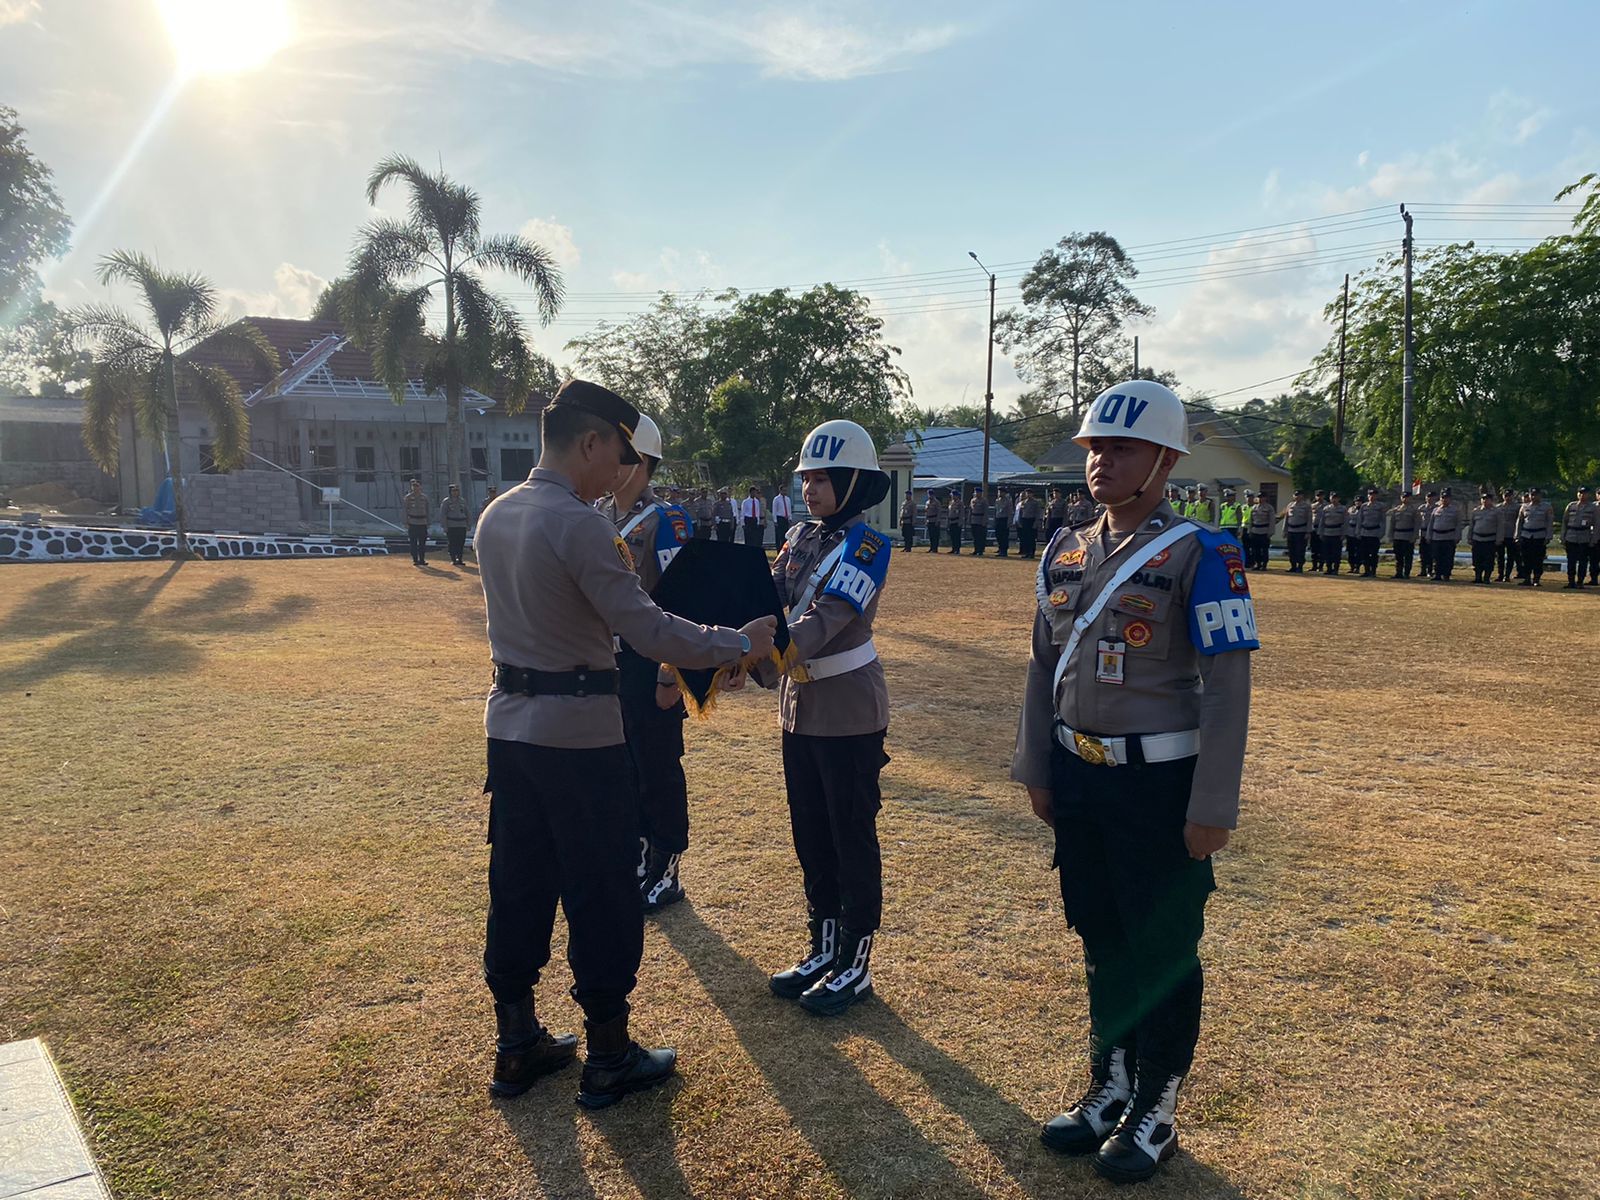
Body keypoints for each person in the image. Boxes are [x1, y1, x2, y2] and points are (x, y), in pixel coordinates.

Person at [474, 379, 776, 1107]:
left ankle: (516, 1041)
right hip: (581, 738)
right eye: (619, 451)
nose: (621, 469)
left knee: (518, 883)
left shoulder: (496, 515)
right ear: (591, 442)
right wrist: (740, 639)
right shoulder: (578, 524)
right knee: (602, 891)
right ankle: (609, 1052)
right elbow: (648, 628)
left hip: (510, 731)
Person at [1013, 380, 1256, 1184]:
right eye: (1094, 449)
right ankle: (1108, 1086)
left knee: (1163, 949)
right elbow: (1043, 666)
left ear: (1164, 459)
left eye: (1120, 448)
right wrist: (1037, 766)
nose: (1101, 462)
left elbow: (1226, 684)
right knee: (1100, 935)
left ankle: (1156, 1107)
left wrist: (1212, 805)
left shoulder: (1203, 552)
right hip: (1081, 778)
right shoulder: (1066, 549)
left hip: (1161, 785)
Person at [750, 419, 893, 1017]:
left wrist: (747, 654)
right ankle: (823, 945)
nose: (810, 488)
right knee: (810, 832)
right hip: (799, 709)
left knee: (849, 835)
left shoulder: (868, 546)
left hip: (848, 710)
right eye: (805, 477)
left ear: (854, 482)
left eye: (823, 478)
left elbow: (823, 621)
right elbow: (768, 594)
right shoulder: (800, 536)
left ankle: (855, 962)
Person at [596, 413, 699, 913]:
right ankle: (638, 855)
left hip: (649, 660)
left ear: (640, 462)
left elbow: (682, 601)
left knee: (659, 766)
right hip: (606, 662)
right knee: (624, 766)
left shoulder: (667, 520)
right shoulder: (595, 513)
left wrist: (670, 672)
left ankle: (667, 866)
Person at [1515, 487, 1554, 586]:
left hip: (1539, 536)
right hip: (1526, 536)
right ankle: (1527, 578)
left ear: (1540, 496)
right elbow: (1519, 522)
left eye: (1536, 495)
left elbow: (1549, 522)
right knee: (1525, 558)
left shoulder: (1546, 507)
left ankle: (1536, 579)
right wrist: (1517, 536)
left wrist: (1548, 536)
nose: (1533, 497)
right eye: (1532, 495)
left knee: (1538, 559)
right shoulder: (1524, 507)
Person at [1561, 486, 1596, 589]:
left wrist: (1593, 539)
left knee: (1583, 561)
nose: (1582, 495)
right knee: (1571, 560)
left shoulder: (1592, 508)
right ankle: (1571, 581)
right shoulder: (1571, 506)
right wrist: (1563, 536)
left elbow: (1596, 524)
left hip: (1584, 536)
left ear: (1588, 494)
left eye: (1584, 493)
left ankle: (1580, 581)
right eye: (1580, 493)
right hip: (1571, 536)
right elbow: (1565, 522)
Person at [1468, 491, 1503, 584]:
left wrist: (1499, 539)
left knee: (1489, 560)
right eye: (1483, 499)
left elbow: (1500, 527)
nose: (1485, 501)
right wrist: (1469, 537)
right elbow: (1472, 526)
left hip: (1490, 539)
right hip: (1477, 538)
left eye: (1487, 499)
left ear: (1491, 500)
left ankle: (1487, 578)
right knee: (1476, 559)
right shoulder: (1476, 511)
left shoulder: (1497, 512)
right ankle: (1478, 577)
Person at [1429, 488, 1463, 581]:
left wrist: (1457, 537)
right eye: (1443, 498)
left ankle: (1446, 574)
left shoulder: (1455, 510)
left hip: (1449, 537)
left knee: (1447, 557)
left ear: (1450, 499)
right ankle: (1437, 574)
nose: (1444, 499)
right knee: (1436, 556)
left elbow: (1458, 525)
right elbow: (1431, 524)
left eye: (1447, 498)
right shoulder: (1435, 510)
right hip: (1436, 537)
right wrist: (1429, 535)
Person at [1388, 492, 1420, 579]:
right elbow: (1392, 524)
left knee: (1408, 556)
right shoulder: (1396, 510)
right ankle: (1398, 572)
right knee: (1398, 556)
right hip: (1397, 535)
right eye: (1403, 497)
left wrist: (1415, 536)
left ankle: (1406, 573)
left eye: (1407, 497)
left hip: (1408, 536)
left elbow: (1417, 524)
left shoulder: (1414, 510)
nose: (1405, 499)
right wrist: (1391, 536)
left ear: (1410, 499)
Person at [1280, 490, 1312, 573]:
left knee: (1300, 550)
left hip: (1301, 531)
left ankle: (1300, 566)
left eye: (1299, 495)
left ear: (1302, 496)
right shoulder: (1290, 505)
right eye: (1295, 495)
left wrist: (1308, 532)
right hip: (1291, 530)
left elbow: (1309, 520)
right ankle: (1293, 566)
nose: (1297, 497)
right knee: (1291, 550)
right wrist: (1284, 530)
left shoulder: (1306, 506)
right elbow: (1286, 519)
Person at [1315, 492, 1347, 575]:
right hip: (1327, 533)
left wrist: (1343, 534)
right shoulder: (1326, 508)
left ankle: (1335, 569)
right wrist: (1320, 533)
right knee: (1327, 552)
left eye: (1336, 498)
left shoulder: (1343, 509)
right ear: (1330, 498)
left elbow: (1345, 522)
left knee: (1336, 553)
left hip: (1337, 533)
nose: (1334, 499)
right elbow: (1322, 522)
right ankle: (1328, 568)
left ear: (1339, 499)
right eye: (1332, 497)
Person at [1356, 488, 1385, 577]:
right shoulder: (1364, 506)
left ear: (1376, 496)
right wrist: (1358, 532)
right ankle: (1366, 570)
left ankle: (1373, 571)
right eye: (1370, 495)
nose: (1371, 497)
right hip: (1365, 532)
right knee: (1364, 553)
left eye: (1373, 495)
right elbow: (1360, 520)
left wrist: (1382, 532)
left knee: (1373, 553)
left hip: (1374, 532)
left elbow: (1383, 521)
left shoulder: (1380, 506)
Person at [441, 484, 471, 567]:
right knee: (452, 543)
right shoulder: (446, 502)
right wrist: (445, 526)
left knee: (461, 542)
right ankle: (453, 558)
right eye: (453, 491)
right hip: (451, 525)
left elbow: (467, 513)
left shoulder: (462, 501)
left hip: (461, 525)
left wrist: (468, 524)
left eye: (457, 491)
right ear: (450, 492)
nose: (455, 492)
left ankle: (460, 558)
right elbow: (443, 514)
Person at [403, 478, 431, 566]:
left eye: (417, 486)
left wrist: (428, 522)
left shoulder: (424, 498)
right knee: (413, 543)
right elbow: (405, 511)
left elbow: (428, 510)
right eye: (413, 486)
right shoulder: (408, 498)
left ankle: (422, 559)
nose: (415, 488)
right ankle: (415, 559)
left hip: (422, 522)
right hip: (413, 522)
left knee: (422, 543)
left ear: (420, 487)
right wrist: (406, 522)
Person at [1246, 491, 1276, 570]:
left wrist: (1271, 532)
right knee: (1255, 549)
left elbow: (1272, 521)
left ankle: (1264, 564)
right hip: (1255, 530)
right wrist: (1249, 531)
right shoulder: (1254, 507)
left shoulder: (1269, 508)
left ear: (1265, 498)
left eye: (1262, 497)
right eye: (1259, 497)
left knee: (1264, 549)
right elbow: (1250, 521)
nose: (1260, 499)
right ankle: (1258, 563)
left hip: (1264, 531)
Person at [1495, 489, 1518, 581]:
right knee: (1500, 556)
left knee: (1510, 556)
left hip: (1511, 534)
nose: (1508, 497)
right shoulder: (1498, 507)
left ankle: (1507, 575)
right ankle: (1500, 574)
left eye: (1509, 495)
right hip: (1500, 534)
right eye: (1506, 495)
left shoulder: (1517, 507)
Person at [1418, 491, 1439, 579]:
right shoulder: (1421, 508)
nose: (1429, 499)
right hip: (1422, 533)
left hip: (1431, 533)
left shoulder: (1437, 509)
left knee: (1431, 553)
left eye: (1431, 497)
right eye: (1428, 497)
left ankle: (1430, 571)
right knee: (1423, 553)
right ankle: (1423, 570)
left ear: (1435, 498)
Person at [1017, 490, 1041, 559]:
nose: (1028, 495)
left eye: (1030, 493)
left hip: (1032, 520)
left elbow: (1037, 513)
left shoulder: (1035, 502)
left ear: (1032, 494)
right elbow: (1020, 513)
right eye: (1027, 493)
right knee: (1025, 538)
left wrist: (1036, 523)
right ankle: (1026, 552)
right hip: (1025, 520)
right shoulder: (1023, 502)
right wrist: (1020, 521)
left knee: (1032, 538)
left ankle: (1031, 552)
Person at [1309, 490, 1326, 571]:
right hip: (1314, 529)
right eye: (1318, 496)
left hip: (1323, 529)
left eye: (1321, 495)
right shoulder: (1312, 506)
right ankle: (1314, 566)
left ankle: (1321, 566)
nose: (1319, 497)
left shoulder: (1327, 506)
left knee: (1322, 548)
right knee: (1314, 548)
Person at [969, 487, 989, 556]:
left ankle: (980, 550)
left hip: (980, 520)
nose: (976, 493)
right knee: (975, 536)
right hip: (974, 520)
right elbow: (970, 511)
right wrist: (969, 519)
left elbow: (986, 512)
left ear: (981, 493)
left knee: (980, 536)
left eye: (978, 492)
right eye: (976, 492)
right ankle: (976, 549)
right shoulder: (973, 500)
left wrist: (984, 521)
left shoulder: (984, 501)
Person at [995, 488, 1014, 558]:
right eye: (999, 492)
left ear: (1004, 493)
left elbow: (1010, 512)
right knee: (998, 535)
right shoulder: (997, 501)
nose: (999, 493)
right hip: (998, 519)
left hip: (1004, 519)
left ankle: (1004, 551)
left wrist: (1009, 521)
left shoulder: (1008, 501)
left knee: (1004, 536)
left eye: (1001, 492)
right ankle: (1000, 549)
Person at [923, 489, 943, 553]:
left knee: (935, 535)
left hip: (935, 520)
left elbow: (939, 512)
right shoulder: (927, 502)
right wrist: (926, 520)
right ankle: (931, 547)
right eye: (928, 494)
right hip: (929, 520)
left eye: (930, 494)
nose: (929, 496)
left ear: (933, 495)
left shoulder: (937, 502)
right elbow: (926, 512)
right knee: (931, 535)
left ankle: (935, 548)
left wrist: (938, 520)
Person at [945, 489, 964, 554]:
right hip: (951, 521)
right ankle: (953, 548)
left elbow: (961, 513)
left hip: (957, 521)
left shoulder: (960, 503)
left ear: (957, 496)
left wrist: (960, 522)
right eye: (951, 495)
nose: (952, 497)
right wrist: (947, 522)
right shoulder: (951, 502)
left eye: (953, 495)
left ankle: (957, 549)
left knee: (957, 536)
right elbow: (949, 513)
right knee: (952, 536)